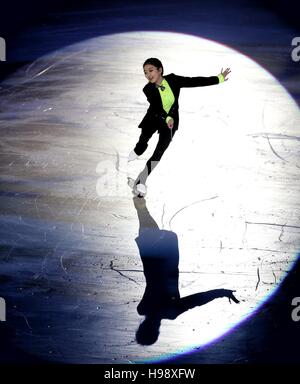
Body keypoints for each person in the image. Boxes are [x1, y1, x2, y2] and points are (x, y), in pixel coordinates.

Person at [128, 58, 231, 196]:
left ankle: (142, 180)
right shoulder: (148, 89)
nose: (148, 74)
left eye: (151, 70)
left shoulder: (173, 80)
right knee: (143, 139)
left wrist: (219, 78)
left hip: (170, 124)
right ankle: (138, 149)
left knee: (159, 152)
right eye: (145, 72)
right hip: (153, 118)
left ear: (160, 70)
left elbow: (194, 81)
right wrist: (167, 118)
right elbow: (158, 109)